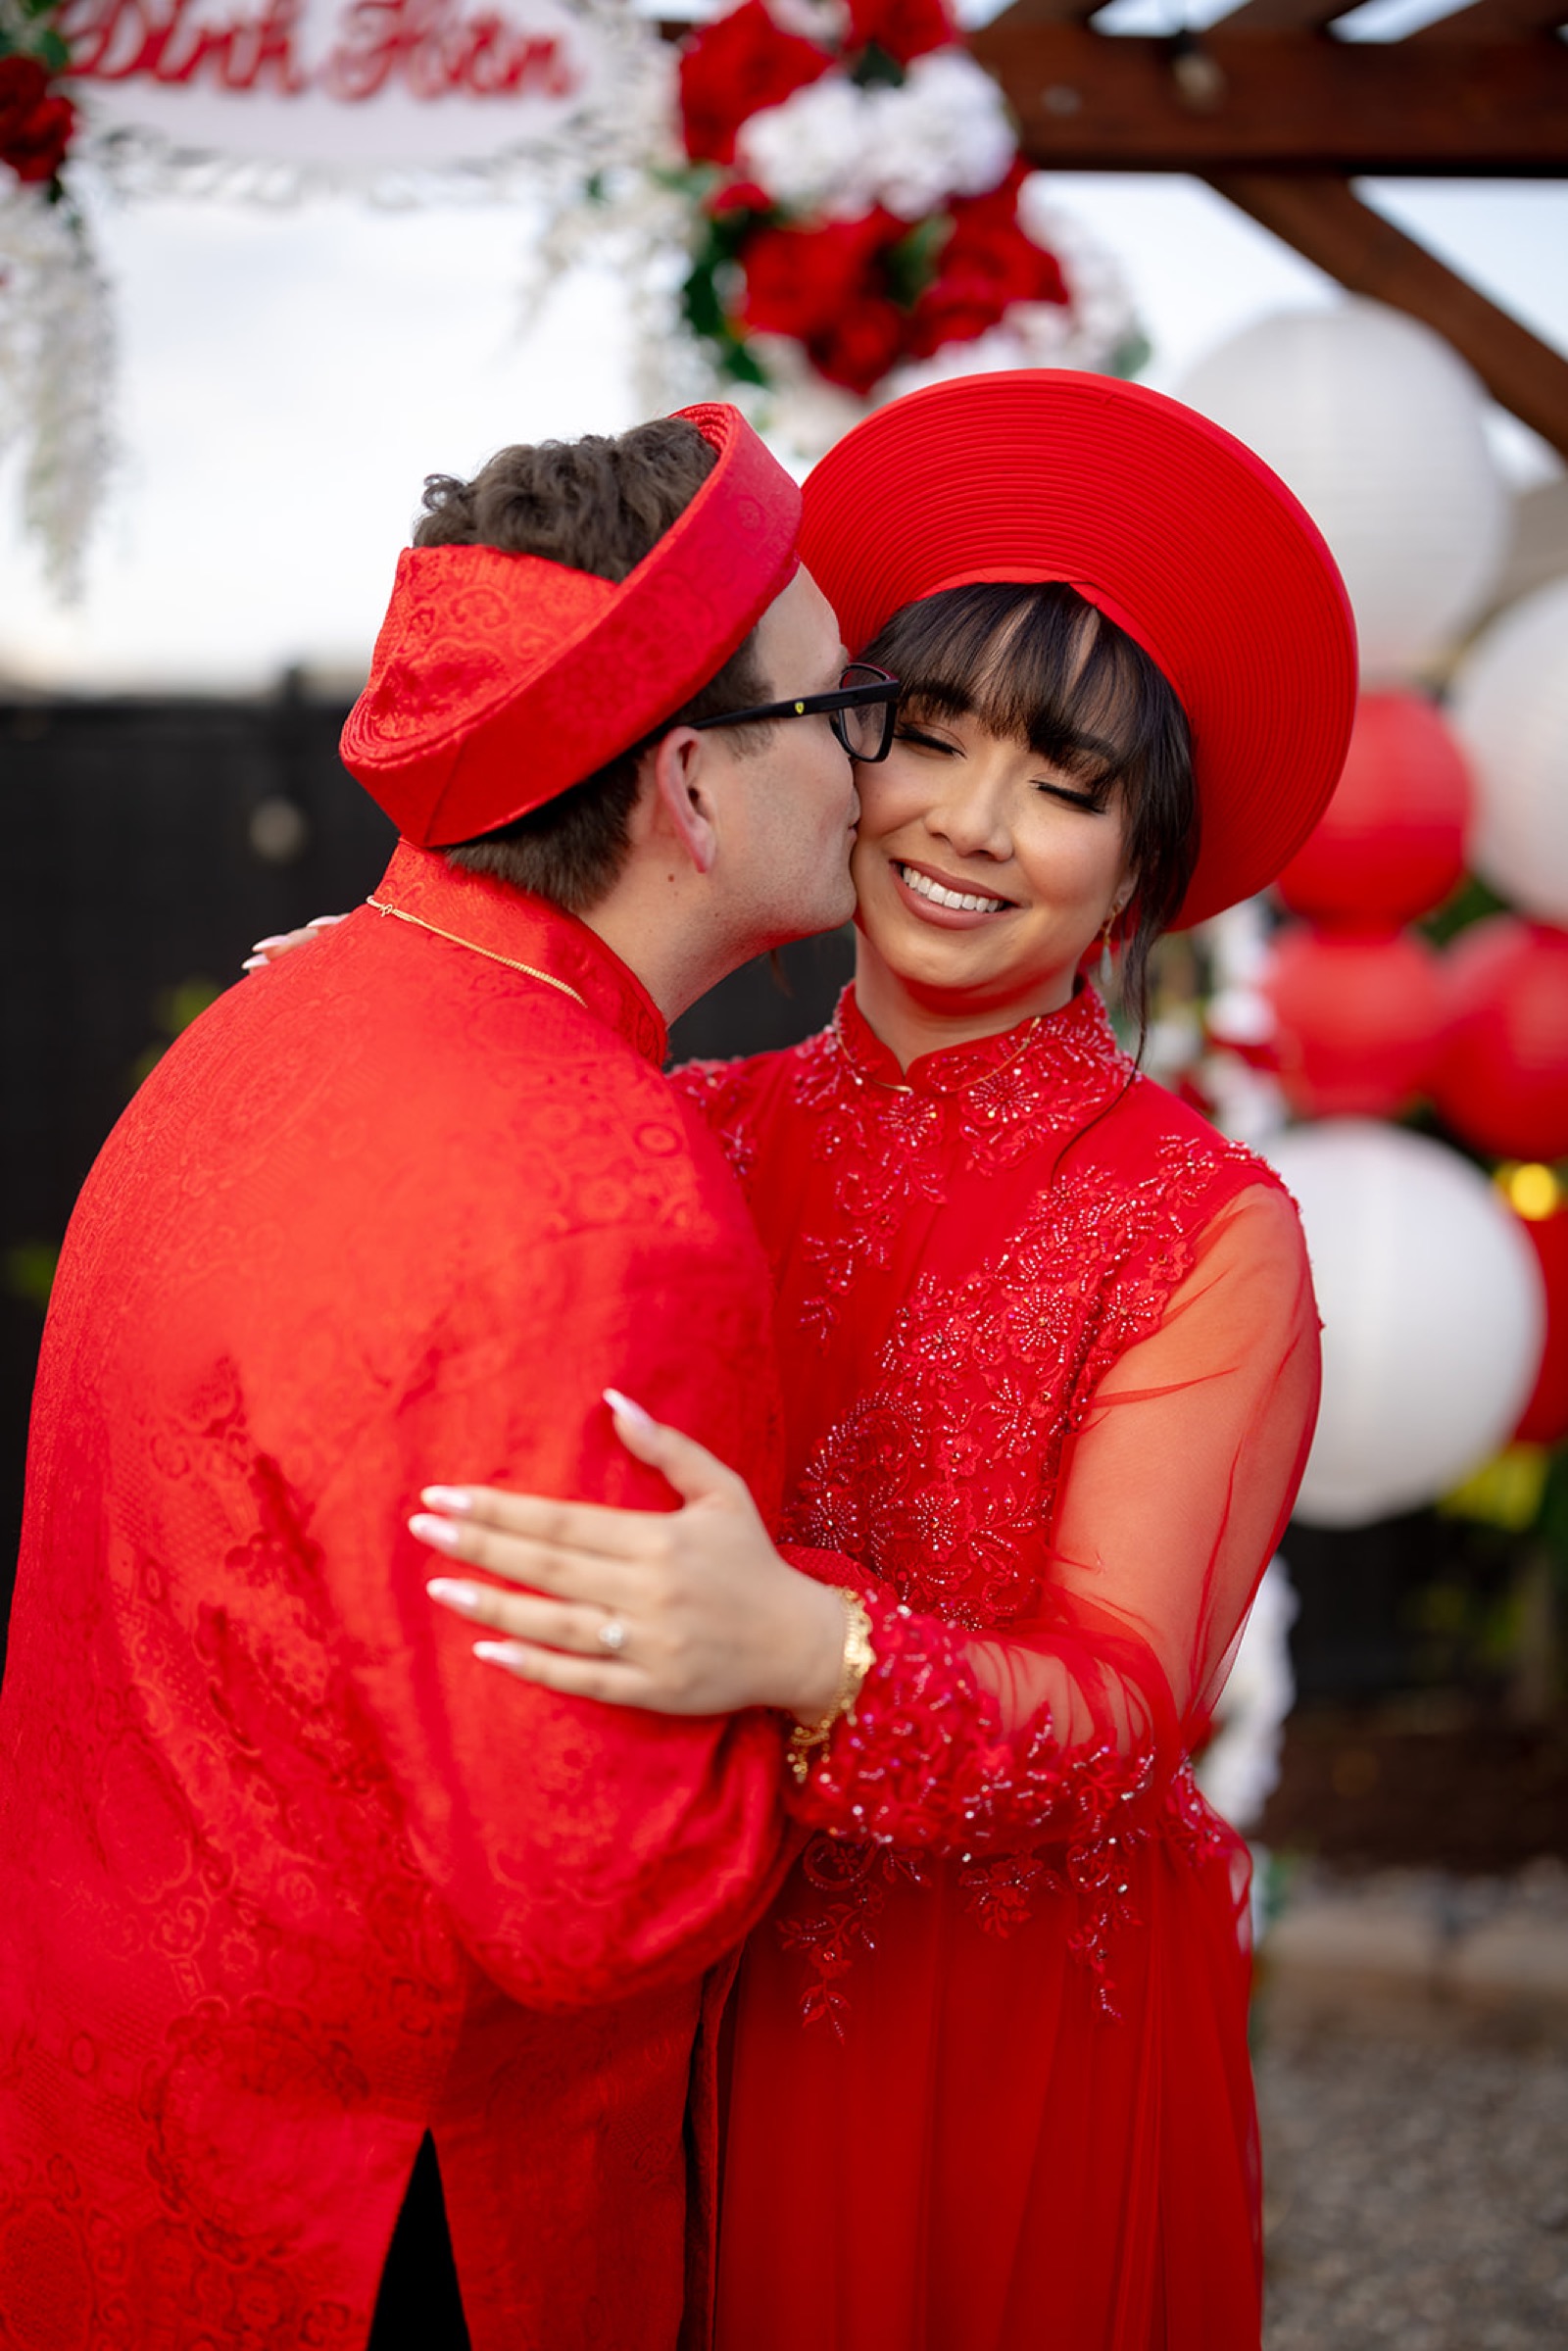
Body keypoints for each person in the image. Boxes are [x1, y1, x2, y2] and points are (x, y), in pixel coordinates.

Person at [401, 372, 1358, 2350]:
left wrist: (807, 1653)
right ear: (840, 747)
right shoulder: (681, 1124)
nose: (967, 826)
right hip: (672, 1972)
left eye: (1064, 786)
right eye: (924, 735)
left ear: (1140, 863)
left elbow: (1119, 1717)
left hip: (1000, 2028)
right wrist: (392, 1021)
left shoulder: (1198, 1228)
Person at [0, 407, 902, 2350]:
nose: (877, 761)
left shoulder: (278, 1012)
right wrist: (835, 1674)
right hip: (390, 2214)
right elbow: (591, 1896)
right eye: (841, 708)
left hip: (131, 2126)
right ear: (686, 782)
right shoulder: (597, 1188)